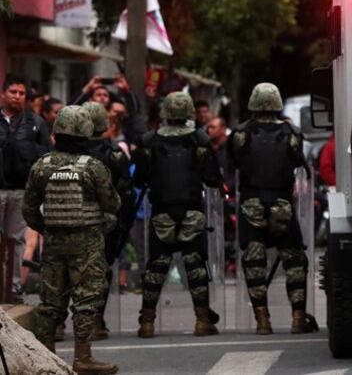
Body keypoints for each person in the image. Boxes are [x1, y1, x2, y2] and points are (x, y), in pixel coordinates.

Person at [23, 106, 119, 373]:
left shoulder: (41, 166)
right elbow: (112, 203)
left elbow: (29, 209)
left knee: (50, 301)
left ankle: (44, 360)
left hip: (53, 243)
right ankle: (83, 358)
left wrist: (48, 228)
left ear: (56, 134)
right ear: (87, 134)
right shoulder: (93, 168)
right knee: (86, 299)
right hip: (87, 242)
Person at [132, 92, 223, 339]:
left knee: (156, 267)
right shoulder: (200, 138)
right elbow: (212, 177)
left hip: (161, 212)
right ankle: (203, 321)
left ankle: (147, 323)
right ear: (189, 112)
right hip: (192, 211)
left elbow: (139, 179)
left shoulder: (148, 140)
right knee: (195, 266)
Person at [228, 83, 316, 335]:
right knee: (295, 261)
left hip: (250, 203)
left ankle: (262, 321)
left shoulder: (240, 133)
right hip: (282, 203)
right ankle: (298, 318)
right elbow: (300, 163)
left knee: (254, 263)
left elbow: (232, 163)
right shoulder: (292, 132)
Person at [78, 102, 137, 340]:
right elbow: (127, 193)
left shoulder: (64, 155)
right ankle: (94, 322)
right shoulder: (114, 154)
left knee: (65, 272)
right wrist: (124, 223)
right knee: (101, 271)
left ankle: (59, 325)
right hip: (106, 223)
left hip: (70, 222)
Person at [0, 74, 50, 296]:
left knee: (17, 240)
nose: (18, 97)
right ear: (3, 94)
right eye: (13, 92)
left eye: (21, 93)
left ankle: (12, 287)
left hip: (22, 191)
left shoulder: (35, 123)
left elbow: (47, 155)